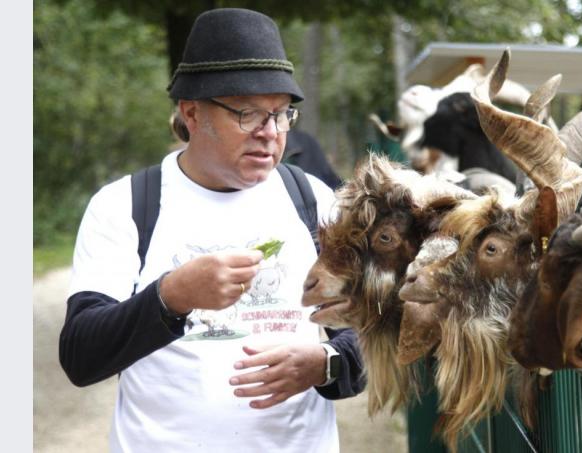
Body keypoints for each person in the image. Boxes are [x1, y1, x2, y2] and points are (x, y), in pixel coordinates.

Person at [58, 8, 364, 452]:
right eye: (248, 114)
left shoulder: (315, 200)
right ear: (192, 114)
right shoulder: (124, 205)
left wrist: (328, 364)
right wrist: (171, 297)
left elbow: (376, 333)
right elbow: (81, 358)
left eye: (280, 115)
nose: (270, 133)